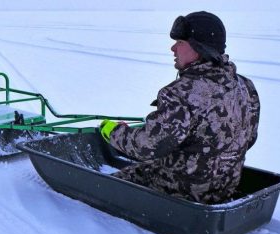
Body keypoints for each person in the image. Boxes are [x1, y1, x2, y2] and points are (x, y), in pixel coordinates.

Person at [100, 11, 260, 204]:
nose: (173, 48)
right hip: (224, 188)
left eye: (180, 43)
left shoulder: (181, 93)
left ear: (199, 48)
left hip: (180, 192)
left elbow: (147, 146)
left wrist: (114, 132)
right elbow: (249, 139)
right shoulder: (245, 86)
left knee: (103, 187)